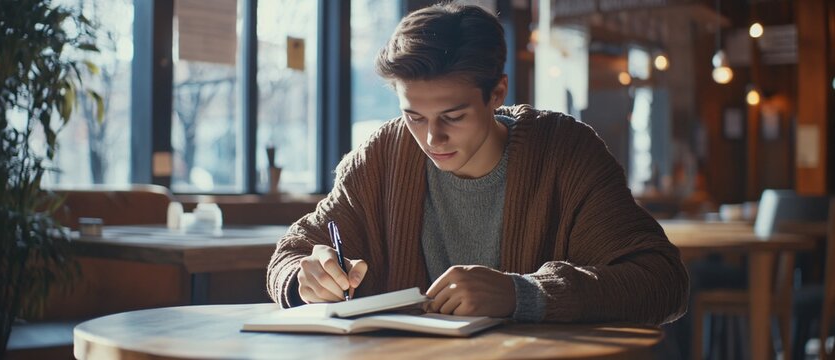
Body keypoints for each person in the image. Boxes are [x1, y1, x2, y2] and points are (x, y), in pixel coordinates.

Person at [267, 3, 689, 325]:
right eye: (414, 116)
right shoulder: (381, 156)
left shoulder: (565, 153)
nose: (432, 138)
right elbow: (291, 254)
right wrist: (304, 279)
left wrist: (520, 295)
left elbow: (663, 282)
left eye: (453, 116)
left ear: (497, 92)